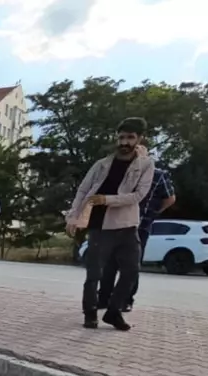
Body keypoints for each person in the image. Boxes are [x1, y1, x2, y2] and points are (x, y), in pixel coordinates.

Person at [65, 117, 154, 330]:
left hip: (127, 225)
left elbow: (139, 195)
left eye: (130, 138)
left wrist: (108, 200)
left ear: (139, 139)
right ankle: (90, 313)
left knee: (131, 271)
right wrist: (72, 216)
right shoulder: (102, 164)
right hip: (100, 225)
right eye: (121, 137)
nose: (124, 142)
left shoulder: (145, 165)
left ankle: (114, 312)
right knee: (94, 273)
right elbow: (83, 190)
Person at [97, 145, 175, 312]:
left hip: (140, 225)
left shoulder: (158, 174)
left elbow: (170, 198)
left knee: (131, 265)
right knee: (109, 261)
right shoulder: (120, 171)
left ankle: (126, 300)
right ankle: (103, 297)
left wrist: (152, 213)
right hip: (116, 222)